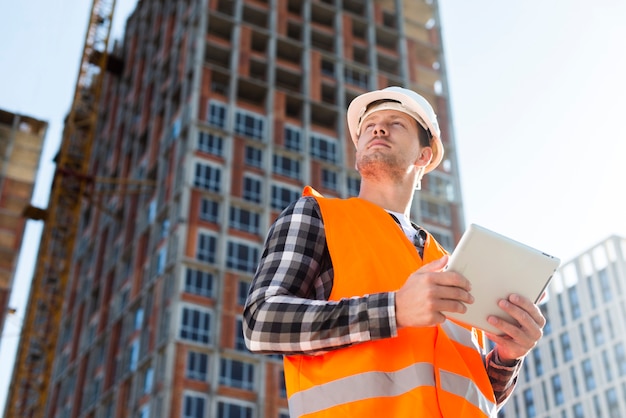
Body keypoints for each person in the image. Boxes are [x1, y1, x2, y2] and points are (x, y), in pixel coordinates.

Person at [243, 86, 545, 417]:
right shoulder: (319, 216)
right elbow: (261, 322)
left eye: (396, 123)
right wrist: (394, 309)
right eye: (369, 125)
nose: (378, 128)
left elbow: (470, 391)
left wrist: (507, 356)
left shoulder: (453, 264)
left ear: (423, 156)